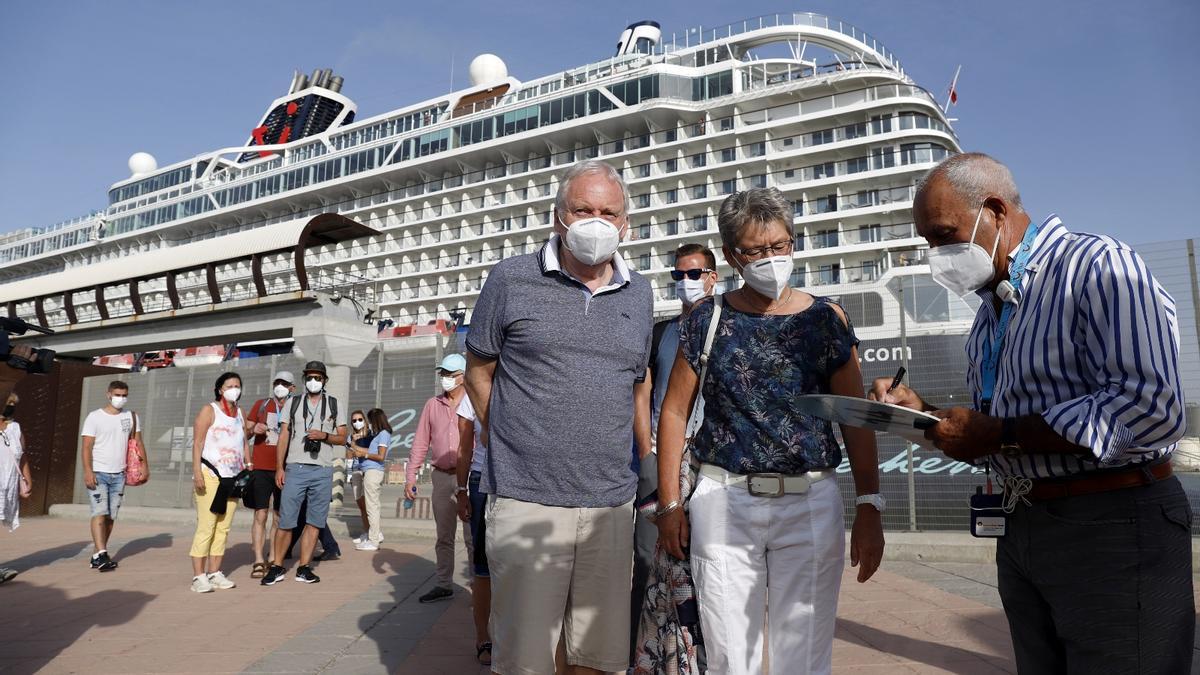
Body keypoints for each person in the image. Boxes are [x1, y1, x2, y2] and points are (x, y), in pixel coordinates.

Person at [869, 153, 1193, 673]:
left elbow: (1149, 407)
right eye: (929, 241)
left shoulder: (1097, 265)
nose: (936, 254)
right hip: (1023, 529)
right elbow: (996, 439)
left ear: (995, 209)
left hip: (1112, 524)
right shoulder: (991, 311)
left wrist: (1000, 434)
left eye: (944, 234)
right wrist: (924, 414)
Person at [655, 188, 885, 674]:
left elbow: (854, 413)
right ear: (734, 255)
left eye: (780, 245)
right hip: (723, 501)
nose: (771, 259)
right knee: (728, 659)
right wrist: (671, 504)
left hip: (810, 501)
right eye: (756, 250)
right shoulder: (707, 318)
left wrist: (869, 505)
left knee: (803, 658)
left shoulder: (827, 318)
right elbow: (674, 412)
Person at [466, 159, 654, 675]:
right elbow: (478, 370)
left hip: (611, 505)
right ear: (558, 218)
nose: (596, 221)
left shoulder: (640, 292)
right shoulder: (512, 278)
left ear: (625, 225)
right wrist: (505, 436)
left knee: (599, 656)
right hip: (527, 500)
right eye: (583, 209)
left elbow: (635, 381)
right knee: (527, 657)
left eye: (608, 212)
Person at [631, 243, 718, 664]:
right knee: (647, 556)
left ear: (713, 277)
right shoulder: (662, 332)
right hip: (660, 457)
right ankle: (643, 657)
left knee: (707, 561)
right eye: (678, 275)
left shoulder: (728, 324)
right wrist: (647, 449)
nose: (686, 282)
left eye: (694, 274)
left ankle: (701, 656)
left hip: (710, 460)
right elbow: (642, 390)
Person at [262, 361, 347, 586]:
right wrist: (280, 467)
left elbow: (343, 437)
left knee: (315, 522)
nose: (313, 381)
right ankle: (277, 566)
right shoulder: (293, 402)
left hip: (323, 469)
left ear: (324, 380)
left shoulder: (334, 404)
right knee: (286, 520)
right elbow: (283, 437)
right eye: (310, 377)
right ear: (304, 380)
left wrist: (324, 436)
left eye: (318, 378)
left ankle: (303, 567)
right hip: (295, 467)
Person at [405, 353, 472, 603]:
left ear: (463, 377)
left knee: (472, 535)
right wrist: (410, 476)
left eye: (449, 374)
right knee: (444, 536)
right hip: (442, 477)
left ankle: (479, 584)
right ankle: (444, 583)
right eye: (442, 373)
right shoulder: (432, 404)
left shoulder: (474, 402)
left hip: (469, 476)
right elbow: (421, 442)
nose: (444, 378)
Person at [189, 372, 250, 593]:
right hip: (211, 474)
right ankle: (198, 576)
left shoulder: (239, 413)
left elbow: (243, 442)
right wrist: (197, 472)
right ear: (219, 389)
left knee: (223, 527)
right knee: (207, 525)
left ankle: (215, 572)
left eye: (238, 385)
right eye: (230, 385)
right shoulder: (209, 410)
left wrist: (248, 465)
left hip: (233, 477)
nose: (234, 388)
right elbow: (197, 443)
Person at [80, 380, 145, 572]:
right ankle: (101, 554)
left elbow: (138, 443)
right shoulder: (94, 417)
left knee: (110, 516)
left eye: (124, 395)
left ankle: (98, 554)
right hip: (99, 473)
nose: (121, 398)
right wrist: (88, 470)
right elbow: (86, 446)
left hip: (120, 473)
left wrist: (144, 467)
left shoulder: (130, 417)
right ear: (109, 394)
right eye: (117, 394)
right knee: (99, 513)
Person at [243, 370, 294, 579]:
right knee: (260, 514)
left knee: (279, 516)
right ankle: (258, 559)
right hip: (261, 467)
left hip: (286, 468)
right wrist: (254, 428)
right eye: (277, 382)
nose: (280, 386)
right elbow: (244, 433)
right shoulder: (262, 405)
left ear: (292, 388)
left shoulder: (296, 407)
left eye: (284, 383)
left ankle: (273, 555)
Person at [454, 394, 492, 666]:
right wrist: (462, 490)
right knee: (483, 566)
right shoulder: (472, 396)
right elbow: (464, 448)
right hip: (482, 483)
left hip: (521, 484)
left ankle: (512, 635)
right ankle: (483, 638)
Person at [0, 393, 32, 584]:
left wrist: (26, 479)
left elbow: (22, 456)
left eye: (12, 404)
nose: (9, 407)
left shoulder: (15, 428)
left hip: (7, 484)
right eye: (7, 403)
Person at [350, 408, 391, 551]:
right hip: (368, 471)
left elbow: (381, 456)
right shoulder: (379, 435)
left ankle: (374, 540)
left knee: (372, 506)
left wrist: (364, 455)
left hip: (373, 471)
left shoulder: (384, 434)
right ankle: (373, 536)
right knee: (370, 506)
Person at [346, 409, 371, 542]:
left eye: (360, 419)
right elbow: (349, 455)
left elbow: (374, 451)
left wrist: (356, 444)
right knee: (361, 505)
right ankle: (366, 532)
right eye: (354, 420)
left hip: (368, 470)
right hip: (355, 470)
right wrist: (349, 474)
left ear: (365, 420)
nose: (357, 422)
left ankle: (374, 532)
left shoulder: (370, 434)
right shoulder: (350, 437)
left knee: (370, 504)